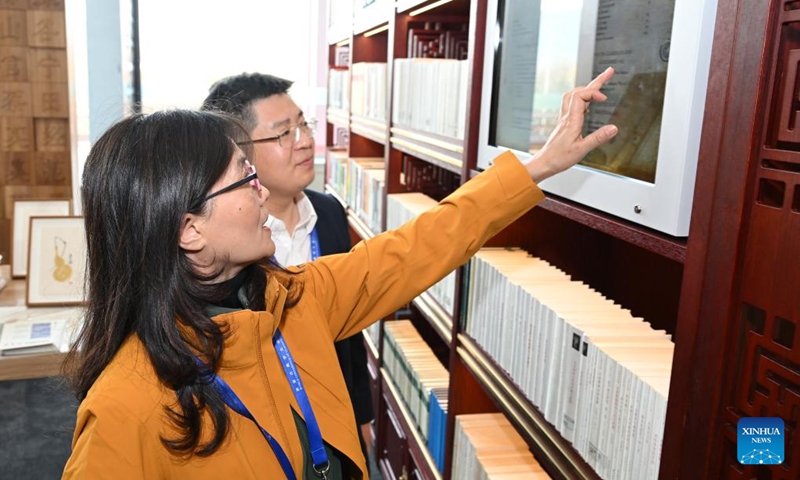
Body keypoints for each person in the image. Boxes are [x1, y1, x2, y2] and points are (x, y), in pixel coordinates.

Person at [61, 68, 618, 479]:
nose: (260, 190)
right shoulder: (120, 412)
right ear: (189, 230)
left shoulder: (294, 299)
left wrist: (539, 166)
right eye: (243, 178)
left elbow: (417, 246)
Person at [200, 73, 376, 465]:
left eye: (303, 125)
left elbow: (352, 324)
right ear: (238, 152)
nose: (306, 141)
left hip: (333, 413)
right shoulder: (228, 243)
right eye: (283, 134)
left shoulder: (328, 212)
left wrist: (361, 411)